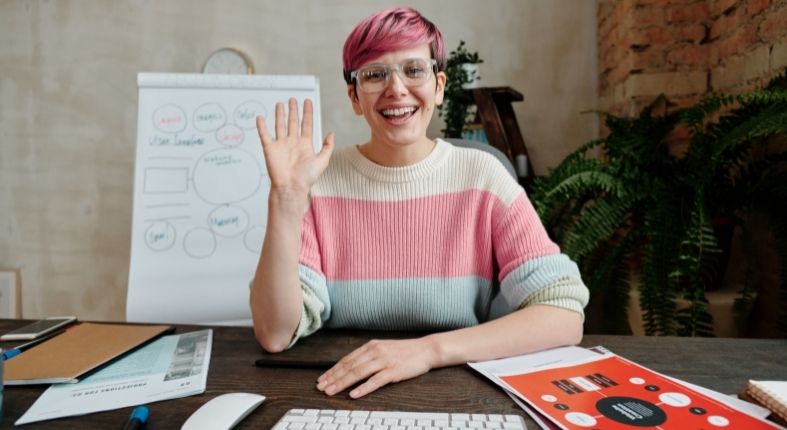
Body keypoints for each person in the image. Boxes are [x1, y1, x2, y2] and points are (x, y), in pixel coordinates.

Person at [250, 7, 589, 399]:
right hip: (343, 389)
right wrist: (286, 200)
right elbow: (275, 334)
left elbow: (563, 315)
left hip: (467, 391)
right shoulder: (318, 181)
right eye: (375, 74)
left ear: (439, 86)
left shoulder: (484, 177)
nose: (396, 89)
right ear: (355, 97)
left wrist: (427, 351)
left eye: (414, 70)